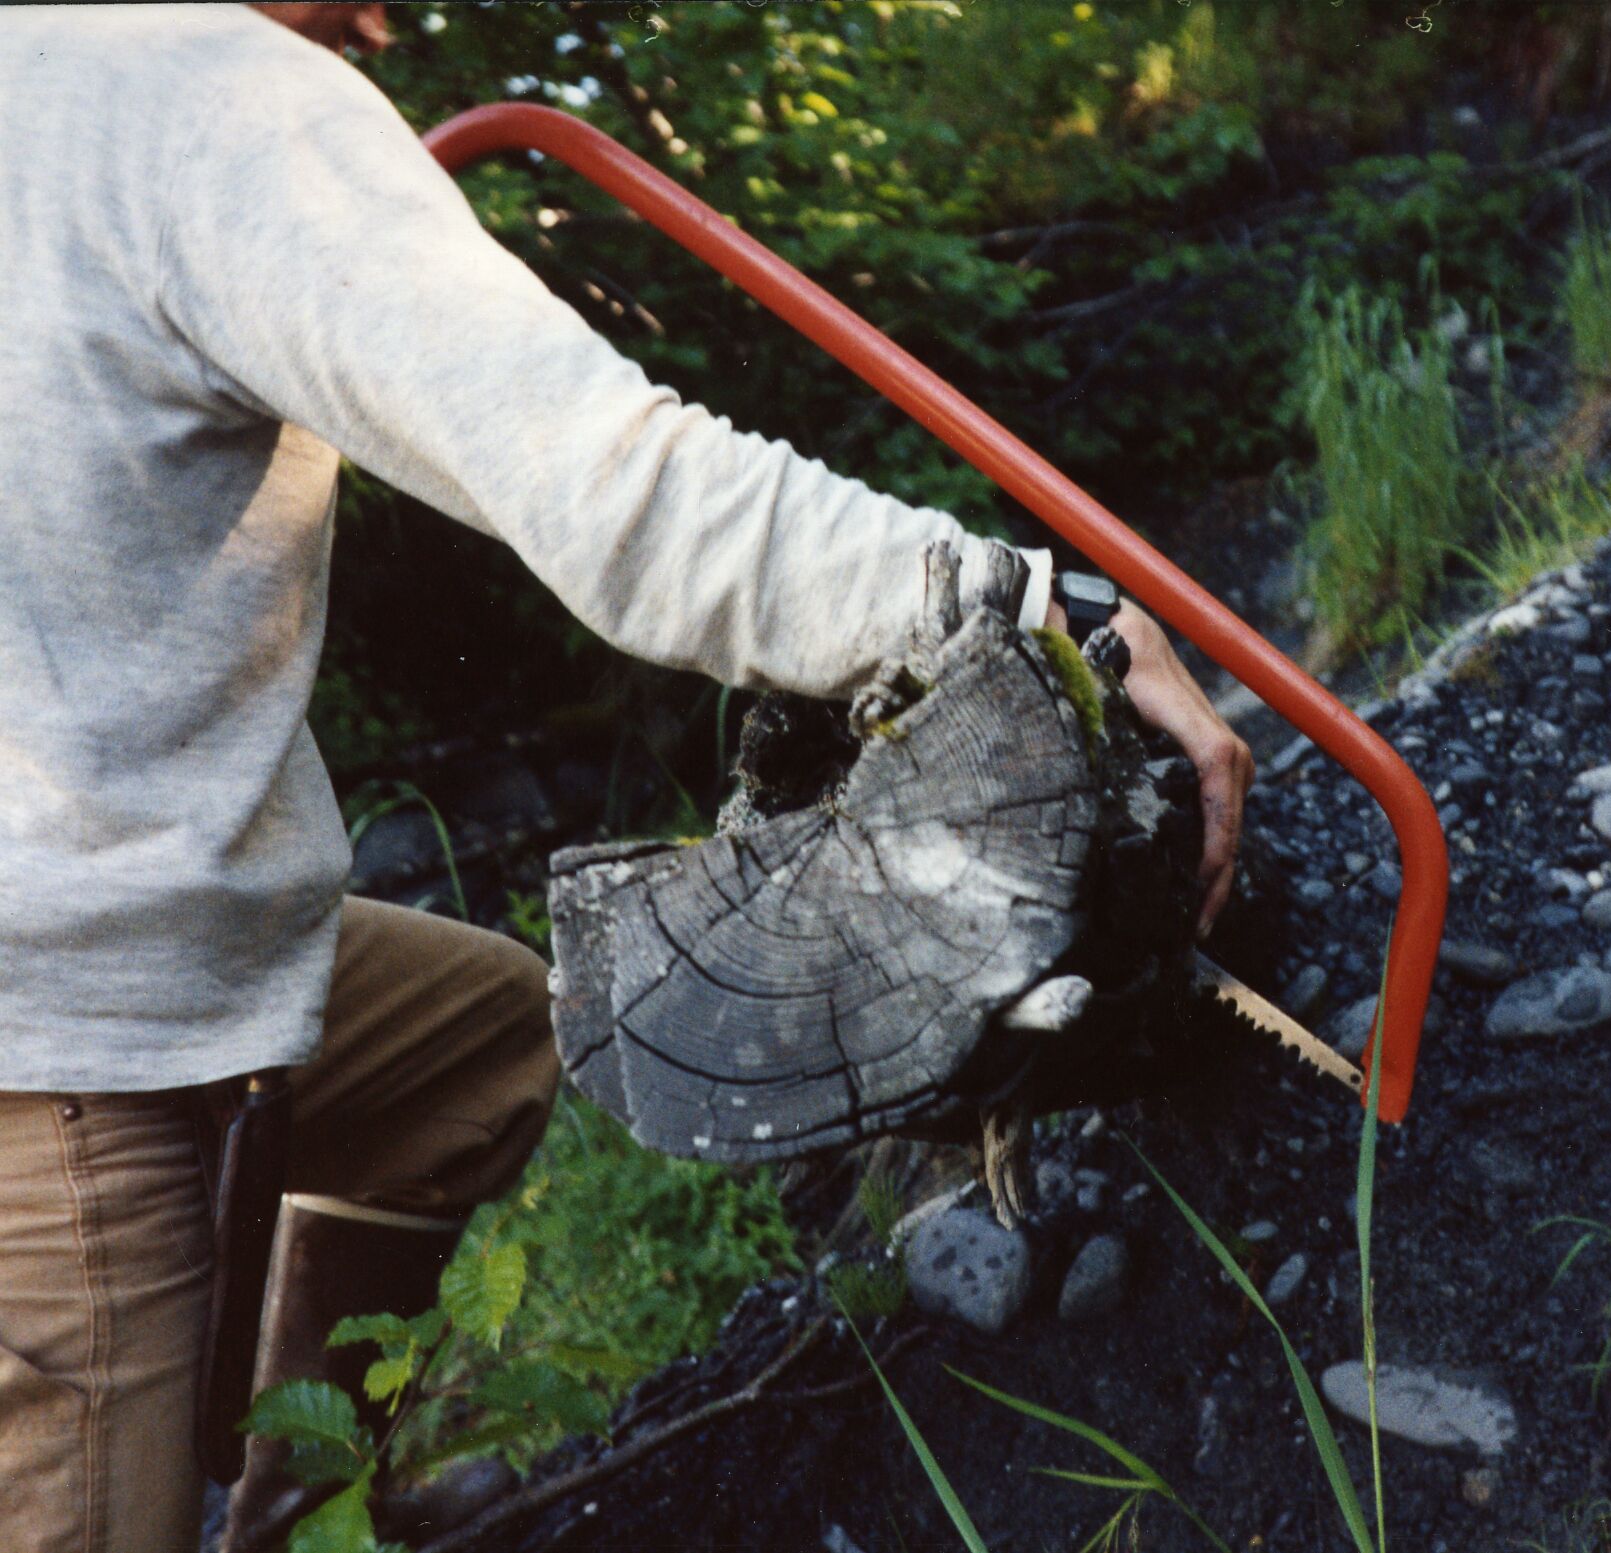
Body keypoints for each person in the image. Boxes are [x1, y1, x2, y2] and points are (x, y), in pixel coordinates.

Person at [0, 5, 1253, 1550]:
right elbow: (624, 493)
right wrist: (1048, 611)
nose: (388, 21)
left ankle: (307, 1513)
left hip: (64, 946)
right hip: (57, 1048)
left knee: (469, 1046)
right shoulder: (209, 100)